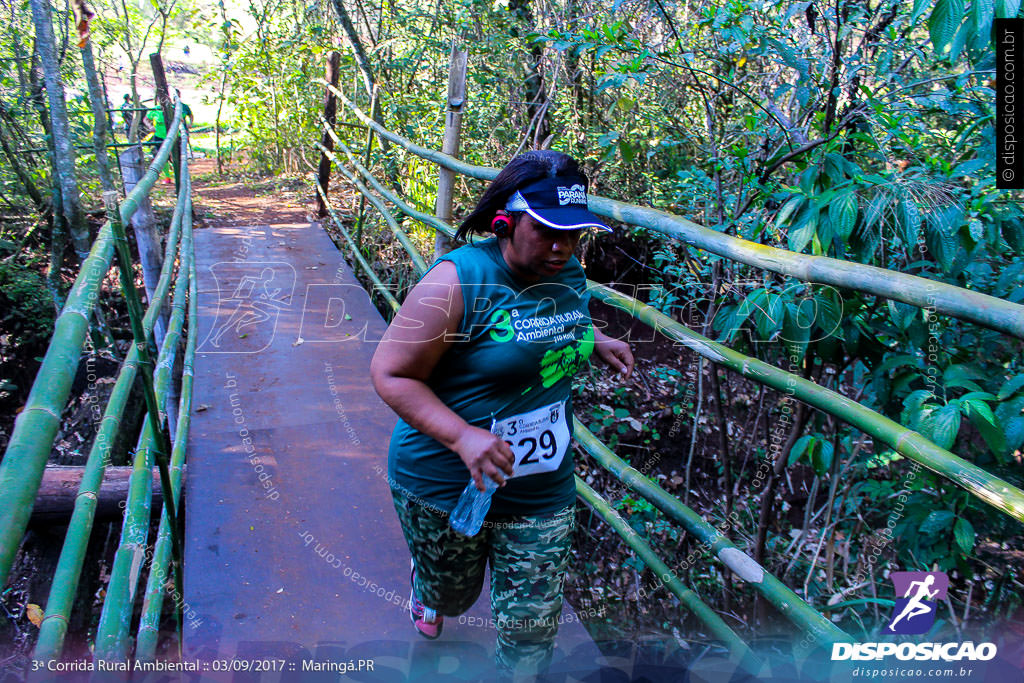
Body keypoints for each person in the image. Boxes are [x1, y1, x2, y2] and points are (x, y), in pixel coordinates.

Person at [370, 150, 634, 677]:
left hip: (540, 488)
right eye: (546, 232)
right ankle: (430, 589)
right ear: (504, 225)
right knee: (453, 593)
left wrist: (593, 337)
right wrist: (464, 437)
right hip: (445, 479)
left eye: (573, 234)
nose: (562, 247)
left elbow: (559, 320)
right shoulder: (458, 281)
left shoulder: (566, 269)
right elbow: (390, 374)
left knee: (530, 631)